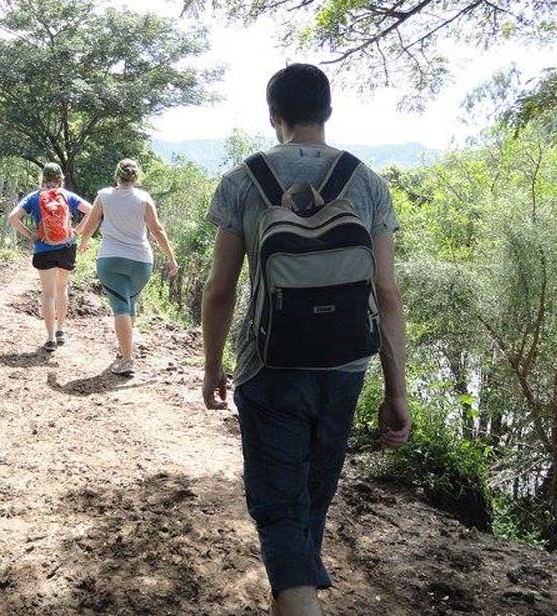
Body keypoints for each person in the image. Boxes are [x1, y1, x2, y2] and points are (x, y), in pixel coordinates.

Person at [199, 64, 412, 616]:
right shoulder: (365, 181)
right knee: (309, 506)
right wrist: (397, 392)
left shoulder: (243, 180)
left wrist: (212, 365)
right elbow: (386, 294)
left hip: (267, 367)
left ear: (274, 117)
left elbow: (220, 290)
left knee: (279, 512)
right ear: (328, 112)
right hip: (345, 367)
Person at [77, 159, 179, 375]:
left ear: (117, 175)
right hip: (142, 262)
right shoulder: (144, 199)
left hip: (111, 259)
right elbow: (157, 230)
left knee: (120, 307)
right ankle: (125, 350)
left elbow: (92, 223)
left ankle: (127, 360)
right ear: (136, 176)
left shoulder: (104, 195)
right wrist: (171, 258)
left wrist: (84, 243)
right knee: (129, 304)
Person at [8, 162, 92, 352]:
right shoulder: (67, 195)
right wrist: (77, 231)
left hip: (43, 249)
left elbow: (13, 218)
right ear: (60, 178)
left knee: (48, 294)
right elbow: (91, 210)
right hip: (66, 247)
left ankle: (50, 338)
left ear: (43, 178)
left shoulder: (33, 197)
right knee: (62, 289)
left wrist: (30, 235)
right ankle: (61, 330)